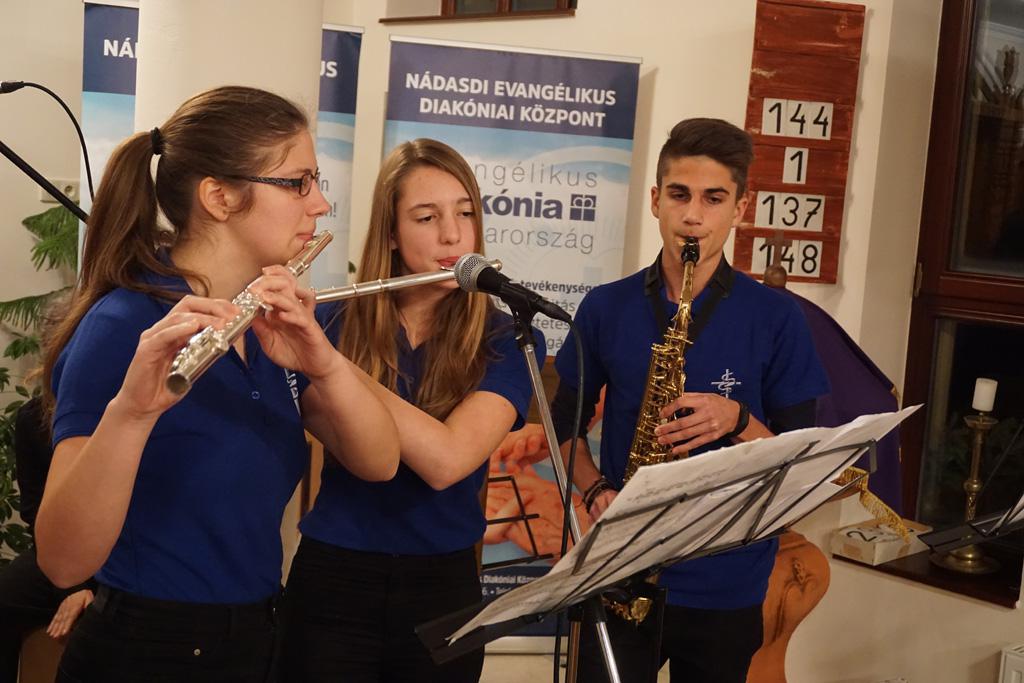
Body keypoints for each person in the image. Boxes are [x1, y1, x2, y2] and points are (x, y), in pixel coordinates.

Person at [33, 85, 400, 683]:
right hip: (148, 650)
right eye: (298, 183)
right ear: (220, 197)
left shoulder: (268, 321)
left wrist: (324, 363)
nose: (320, 204)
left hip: (257, 635)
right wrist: (131, 414)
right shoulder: (124, 325)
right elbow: (62, 560)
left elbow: (379, 462)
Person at [550, 118, 830, 683]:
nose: (693, 216)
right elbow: (563, 432)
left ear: (740, 208)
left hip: (727, 580)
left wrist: (738, 418)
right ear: (656, 200)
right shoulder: (605, 306)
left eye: (713, 198)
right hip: (622, 566)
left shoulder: (777, 316)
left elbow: (802, 460)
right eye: (679, 195)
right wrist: (596, 490)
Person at [280, 138, 544, 683]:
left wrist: (329, 364)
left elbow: (449, 461)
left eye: (465, 214)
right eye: (427, 217)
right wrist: (316, 344)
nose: (453, 235)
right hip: (335, 574)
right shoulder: (332, 323)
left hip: (444, 584)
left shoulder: (507, 338)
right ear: (392, 234)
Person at [0, 397, 93, 683]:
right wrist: (74, 586)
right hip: (64, 552)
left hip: (129, 555)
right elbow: (35, 511)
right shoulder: (32, 417)